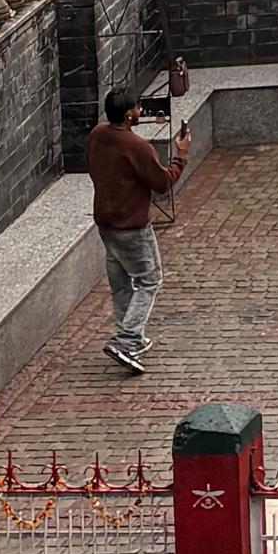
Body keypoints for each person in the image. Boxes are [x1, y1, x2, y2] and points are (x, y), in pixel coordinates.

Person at [87, 82, 185, 377]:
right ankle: (127, 340)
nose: (140, 111)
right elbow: (163, 183)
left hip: (106, 223)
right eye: (138, 108)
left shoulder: (96, 135)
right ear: (130, 114)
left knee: (120, 283)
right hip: (132, 226)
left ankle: (129, 337)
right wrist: (182, 154)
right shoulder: (138, 147)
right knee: (149, 280)